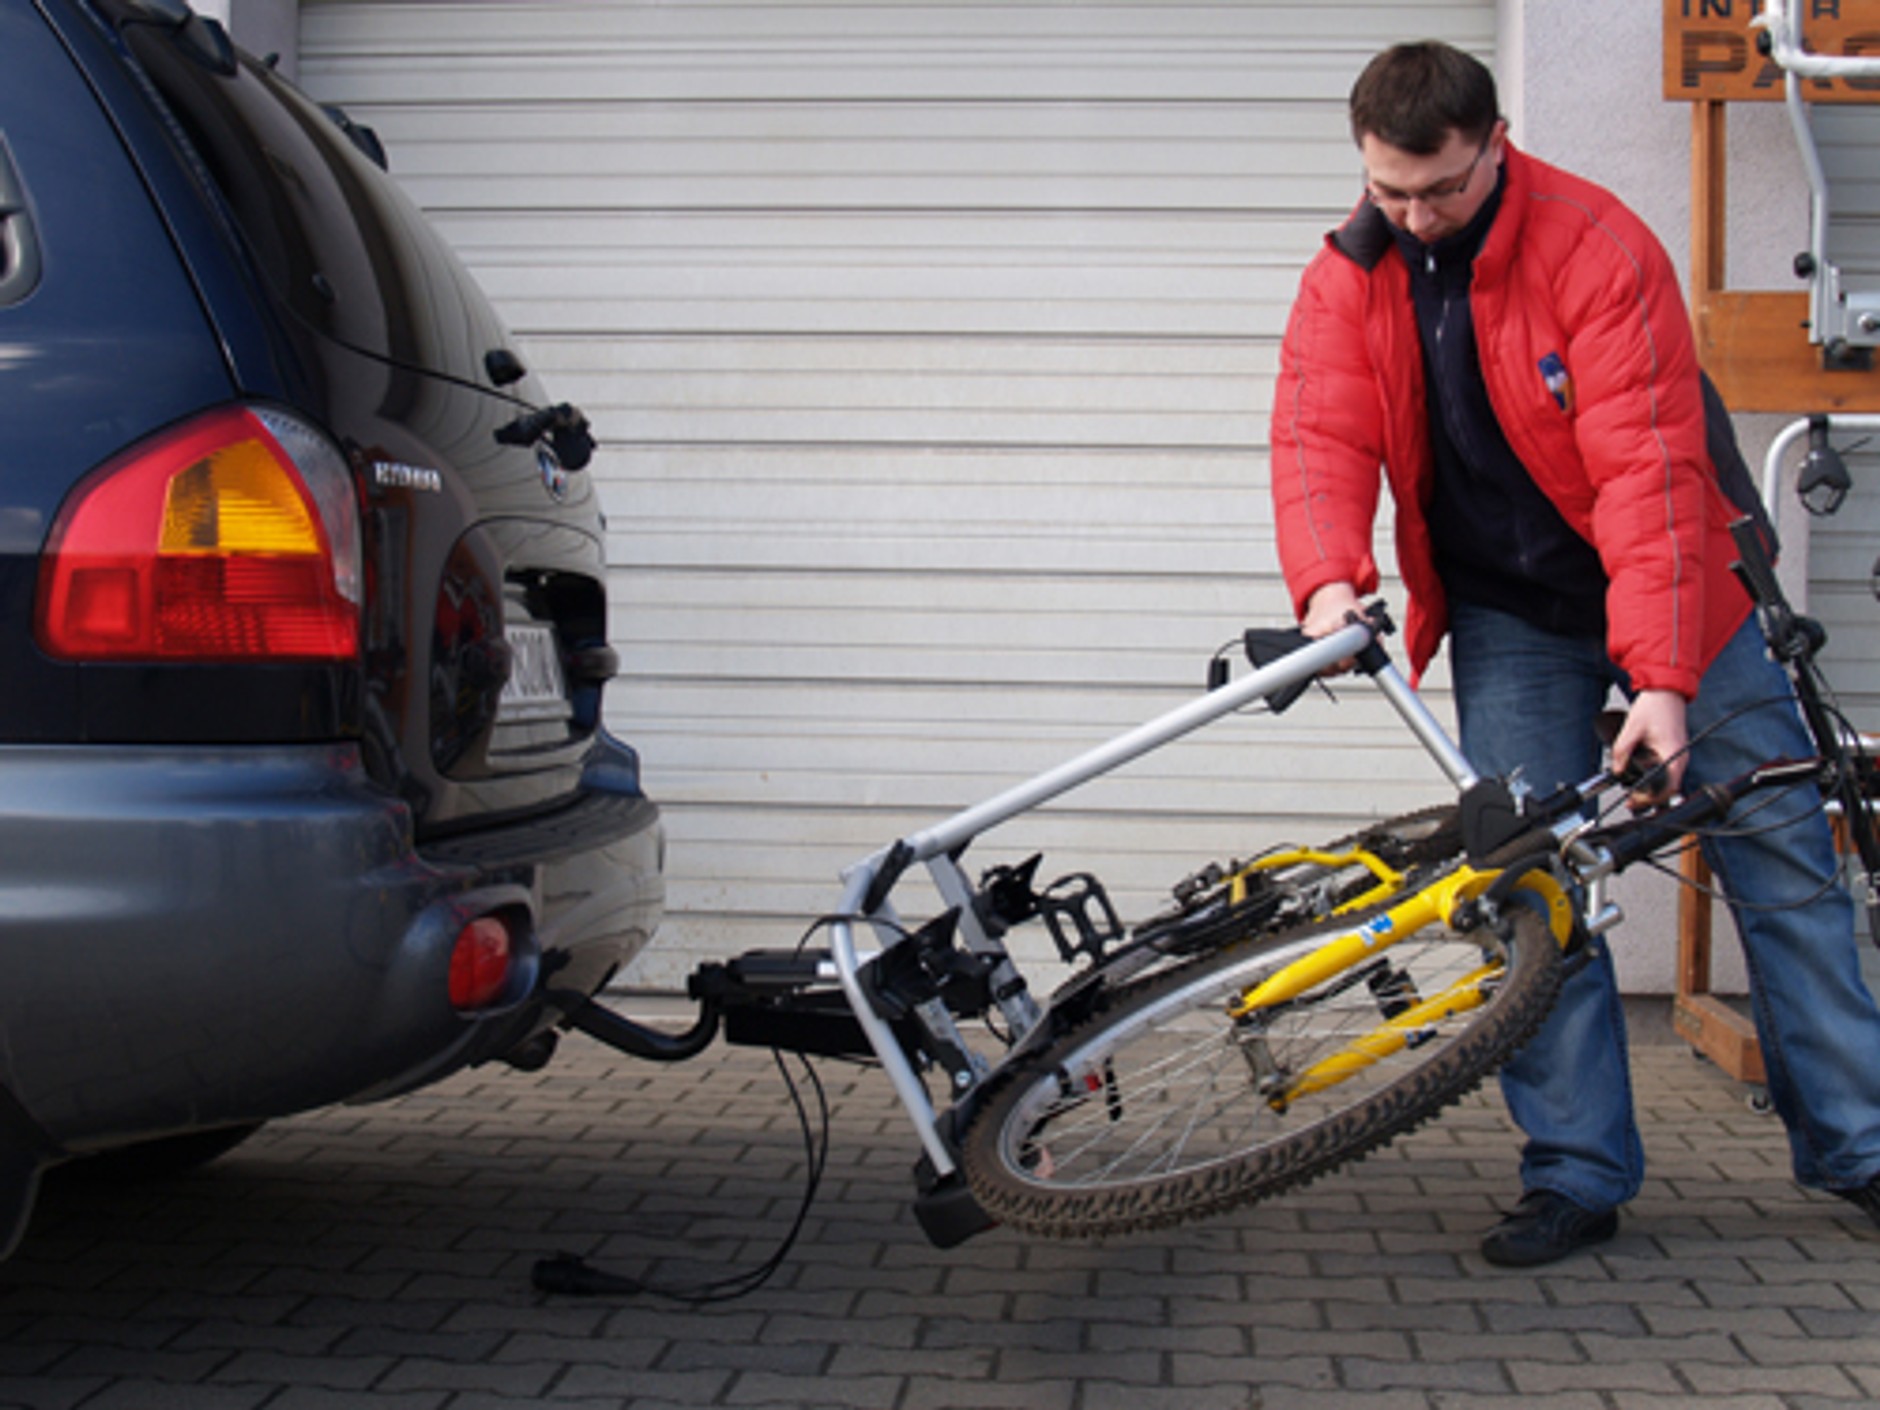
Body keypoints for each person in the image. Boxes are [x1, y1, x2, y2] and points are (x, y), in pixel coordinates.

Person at [1269, 39, 1880, 1267]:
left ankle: (1859, 1147)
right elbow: (1317, 430)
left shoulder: (1594, 249)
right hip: (1508, 613)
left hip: (1679, 591)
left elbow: (1652, 481)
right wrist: (1330, 578)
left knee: (1776, 856)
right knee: (1531, 884)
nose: (1411, 214)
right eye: (1386, 189)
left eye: (1437, 188)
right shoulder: (1352, 269)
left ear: (1493, 145)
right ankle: (1575, 1172)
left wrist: (1658, 681)